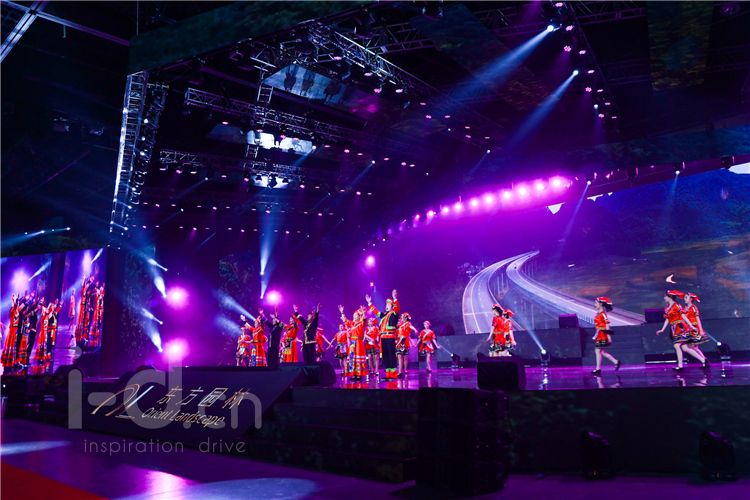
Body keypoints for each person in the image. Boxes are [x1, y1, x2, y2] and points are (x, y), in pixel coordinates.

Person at [657, 290, 707, 371]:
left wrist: (691, 326)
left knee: (677, 345)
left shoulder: (677, 305)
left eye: (665, 296)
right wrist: (662, 329)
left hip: (681, 327)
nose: (664, 298)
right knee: (685, 348)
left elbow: (683, 316)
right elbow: (667, 319)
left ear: (670, 297)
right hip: (674, 328)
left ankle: (680, 366)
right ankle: (703, 360)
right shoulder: (667, 308)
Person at [367, 289, 401, 379]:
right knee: (385, 355)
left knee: (391, 354)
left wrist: (394, 298)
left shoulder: (394, 313)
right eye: (386, 304)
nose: (386, 306)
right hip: (383, 337)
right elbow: (376, 312)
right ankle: (388, 374)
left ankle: (393, 374)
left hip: (390, 336)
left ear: (392, 306)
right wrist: (370, 303)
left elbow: (397, 308)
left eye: (388, 305)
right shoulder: (384, 315)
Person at [591, 297, 620, 375]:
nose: (595, 304)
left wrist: (608, 336)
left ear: (600, 304)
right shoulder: (598, 313)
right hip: (599, 335)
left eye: (596, 303)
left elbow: (607, 325)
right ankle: (616, 362)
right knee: (601, 352)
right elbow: (598, 326)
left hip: (603, 335)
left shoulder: (603, 314)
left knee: (598, 351)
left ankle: (598, 369)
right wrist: (596, 335)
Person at [340, 305, 367, 380]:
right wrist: (342, 312)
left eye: (355, 315)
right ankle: (353, 374)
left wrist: (363, 313)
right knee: (352, 358)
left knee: (358, 357)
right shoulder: (352, 324)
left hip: (358, 343)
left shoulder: (361, 323)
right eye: (353, 315)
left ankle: (359, 374)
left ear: (359, 316)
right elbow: (345, 320)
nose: (354, 316)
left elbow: (364, 319)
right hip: (352, 343)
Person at [683, 292, 709, 366]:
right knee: (694, 347)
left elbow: (698, 319)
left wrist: (700, 330)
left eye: (686, 297)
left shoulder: (693, 308)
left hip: (695, 329)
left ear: (691, 299)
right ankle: (704, 361)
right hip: (689, 329)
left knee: (693, 346)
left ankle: (704, 361)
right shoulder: (685, 308)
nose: (684, 299)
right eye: (684, 297)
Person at [396, 312, 418, 378]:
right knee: (399, 357)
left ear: (406, 318)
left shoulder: (407, 324)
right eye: (401, 317)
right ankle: (400, 371)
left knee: (405, 357)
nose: (402, 318)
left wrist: (415, 329)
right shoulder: (400, 325)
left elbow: (410, 328)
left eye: (403, 317)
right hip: (399, 342)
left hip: (405, 342)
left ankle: (405, 369)